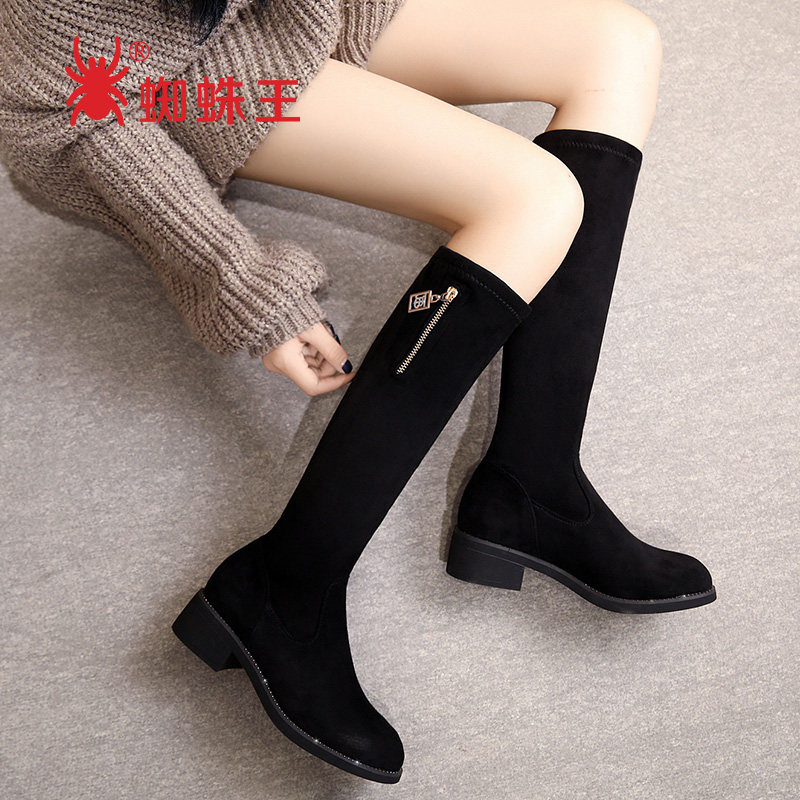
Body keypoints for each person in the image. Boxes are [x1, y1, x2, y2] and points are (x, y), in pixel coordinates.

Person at [0, 0, 716, 784]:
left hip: (297, 11)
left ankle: (534, 480)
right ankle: (285, 585)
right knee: (533, 197)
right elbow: (66, 111)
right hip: (157, 82)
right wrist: (240, 280)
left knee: (618, 45)